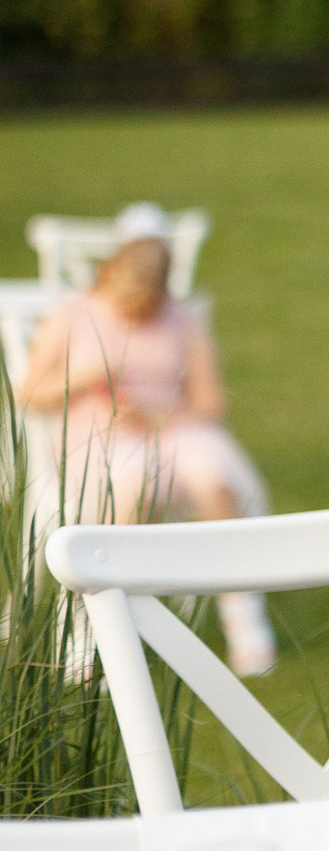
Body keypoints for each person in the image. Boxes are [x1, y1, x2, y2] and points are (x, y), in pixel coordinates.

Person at [21, 205, 276, 676]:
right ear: (111, 273)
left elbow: (210, 402)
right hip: (97, 435)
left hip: (171, 428)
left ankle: (244, 617)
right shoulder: (74, 314)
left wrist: (159, 413)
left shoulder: (182, 319)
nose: (138, 313)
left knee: (215, 479)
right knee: (133, 484)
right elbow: (31, 393)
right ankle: (109, 622)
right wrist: (87, 374)